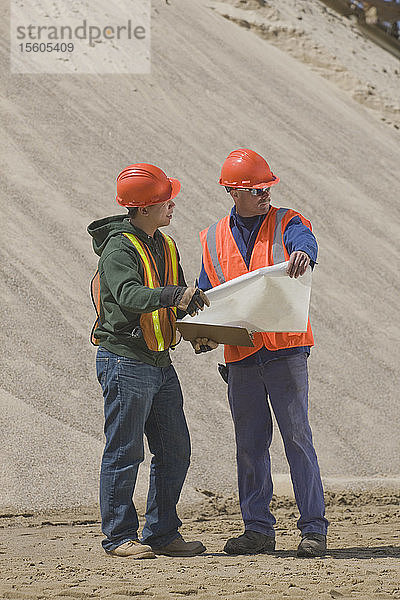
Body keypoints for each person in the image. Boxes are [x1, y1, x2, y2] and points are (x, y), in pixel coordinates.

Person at [198, 149, 329, 558]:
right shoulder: (213, 237)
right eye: (256, 189)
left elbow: (304, 241)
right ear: (234, 192)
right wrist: (202, 331)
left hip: (286, 351)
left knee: (297, 438)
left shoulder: (288, 222)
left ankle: (313, 529)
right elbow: (210, 294)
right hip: (240, 355)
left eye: (267, 187)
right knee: (250, 444)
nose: (265, 194)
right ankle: (257, 529)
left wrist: (306, 253)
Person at [88, 163, 210, 559]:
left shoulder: (165, 244)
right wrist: (175, 296)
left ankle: (161, 533)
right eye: (164, 200)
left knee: (175, 450)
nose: (172, 205)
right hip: (125, 362)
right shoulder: (119, 248)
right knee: (125, 452)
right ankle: (120, 537)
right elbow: (129, 296)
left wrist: (198, 331)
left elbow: (180, 298)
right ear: (143, 209)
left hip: (158, 362)